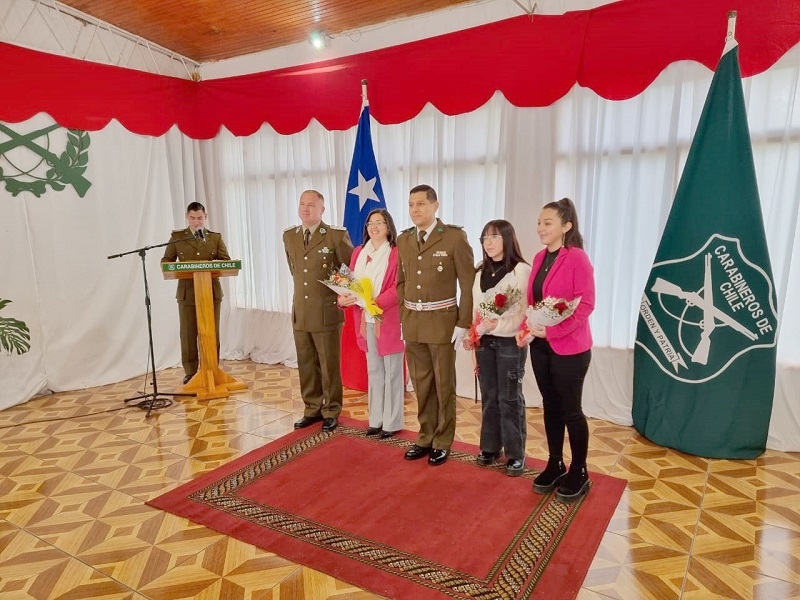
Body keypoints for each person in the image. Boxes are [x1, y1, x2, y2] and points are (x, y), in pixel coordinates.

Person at [515, 197, 595, 503]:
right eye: (539, 222)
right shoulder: (538, 258)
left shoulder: (577, 258)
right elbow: (533, 303)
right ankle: (555, 462)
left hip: (570, 348)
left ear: (566, 226)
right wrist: (526, 330)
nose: (540, 228)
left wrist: (554, 331)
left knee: (571, 410)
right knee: (550, 405)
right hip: (541, 347)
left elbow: (585, 305)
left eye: (547, 223)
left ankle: (580, 470)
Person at [397, 184, 474, 466]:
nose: (415, 210)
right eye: (410, 205)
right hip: (414, 322)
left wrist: (462, 322)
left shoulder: (453, 238)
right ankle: (425, 435)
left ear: (435, 206)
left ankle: (443, 440)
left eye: (420, 204)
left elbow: (467, 283)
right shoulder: (405, 240)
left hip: (442, 323)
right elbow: (401, 281)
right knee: (422, 384)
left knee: (443, 385)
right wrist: (404, 317)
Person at [463, 220, 531, 476]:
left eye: (493, 237)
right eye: (484, 238)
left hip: (509, 343)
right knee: (490, 396)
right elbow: (475, 310)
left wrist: (499, 323)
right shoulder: (480, 271)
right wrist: (474, 337)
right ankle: (490, 447)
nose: (487, 243)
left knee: (510, 398)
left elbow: (525, 311)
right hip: (485, 343)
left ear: (507, 239)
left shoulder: (521, 270)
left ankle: (515, 454)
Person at [283, 190, 354, 432]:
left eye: (311, 205)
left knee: (329, 365)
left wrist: (338, 294)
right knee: (306, 363)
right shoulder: (289, 236)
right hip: (301, 311)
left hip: (326, 312)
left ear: (322, 209)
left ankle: (332, 410)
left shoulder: (335, 236)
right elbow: (296, 271)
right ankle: (312, 408)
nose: (305, 209)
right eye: (302, 204)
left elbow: (348, 272)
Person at [337, 209, 405, 438]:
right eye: (370, 223)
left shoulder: (396, 253)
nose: (374, 226)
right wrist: (343, 298)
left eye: (379, 222)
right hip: (364, 320)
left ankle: (392, 422)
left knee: (392, 371)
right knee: (374, 370)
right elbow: (350, 284)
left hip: (388, 320)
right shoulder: (358, 252)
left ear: (388, 226)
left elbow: (398, 288)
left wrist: (375, 302)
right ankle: (376, 419)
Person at [161, 201, 231, 385]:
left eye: (200, 218)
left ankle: (212, 368)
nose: (196, 222)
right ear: (187, 217)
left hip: (211, 293)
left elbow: (226, 261)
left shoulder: (214, 238)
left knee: (211, 332)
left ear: (205, 217)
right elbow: (166, 261)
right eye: (192, 218)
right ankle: (191, 372)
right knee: (188, 333)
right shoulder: (178, 237)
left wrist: (212, 266)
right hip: (187, 293)